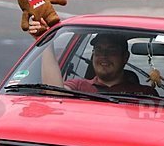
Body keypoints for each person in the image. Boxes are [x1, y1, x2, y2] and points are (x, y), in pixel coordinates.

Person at [29, 17, 157, 96]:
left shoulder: (145, 93)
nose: (104, 56)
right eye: (99, 50)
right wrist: (46, 41)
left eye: (111, 51)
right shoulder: (78, 86)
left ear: (125, 57)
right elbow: (54, 92)